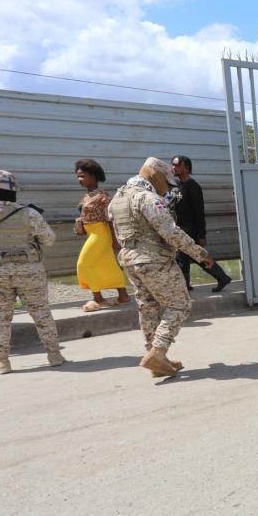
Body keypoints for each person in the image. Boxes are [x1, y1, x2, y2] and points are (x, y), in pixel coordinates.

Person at [109, 157, 215, 377]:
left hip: (129, 259)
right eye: (166, 182)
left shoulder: (118, 197)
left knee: (148, 307)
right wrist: (199, 253)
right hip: (154, 260)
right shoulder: (147, 198)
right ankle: (158, 352)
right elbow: (170, 232)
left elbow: (115, 229)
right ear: (156, 176)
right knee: (180, 305)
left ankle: (156, 361)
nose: (166, 188)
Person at [0, 170, 65, 374]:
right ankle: (54, 355)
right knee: (41, 312)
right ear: (13, 189)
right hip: (30, 272)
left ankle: (2, 362)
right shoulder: (29, 213)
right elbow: (49, 240)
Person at [170, 155, 232, 293]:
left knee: (183, 258)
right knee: (194, 256)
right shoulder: (176, 185)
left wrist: (202, 235)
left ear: (186, 168)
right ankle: (222, 278)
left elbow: (199, 212)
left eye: (177, 165)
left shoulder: (193, 186)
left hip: (190, 229)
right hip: (179, 228)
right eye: (172, 164)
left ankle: (185, 287)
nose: (173, 167)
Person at [74, 159, 130, 311]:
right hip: (93, 233)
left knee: (83, 264)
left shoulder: (102, 196)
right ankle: (123, 295)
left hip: (100, 234)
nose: (79, 179)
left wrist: (115, 240)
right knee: (108, 264)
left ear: (93, 176)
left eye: (82, 176)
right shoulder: (87, 196)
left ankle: (98, 298)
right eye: (78, 176)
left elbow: (110, 219)